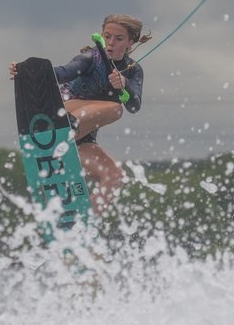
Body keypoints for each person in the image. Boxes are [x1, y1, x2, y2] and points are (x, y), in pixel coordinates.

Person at [10, 14, 150, 215]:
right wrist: (24, 72)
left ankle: (86, 223)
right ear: (101, 36)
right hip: (63, 113)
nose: (111, 43)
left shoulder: (133, 70)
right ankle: (64, 133)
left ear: (130, 42)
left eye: (118, 39)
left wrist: (124, 84)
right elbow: (61, 73)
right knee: (116, 108)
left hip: (82, 137)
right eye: (107, 36)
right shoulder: (90, 59)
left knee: (115, 176)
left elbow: (135, 105)